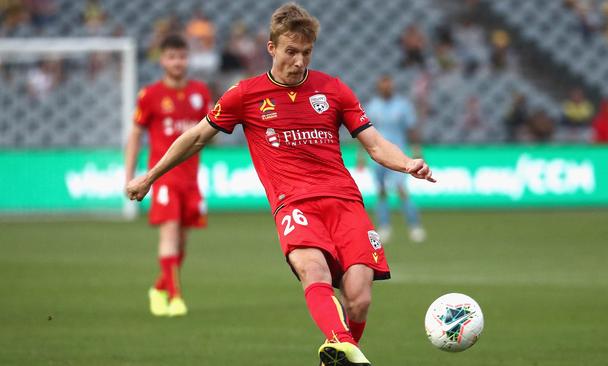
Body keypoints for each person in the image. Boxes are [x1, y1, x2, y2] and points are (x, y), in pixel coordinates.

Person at [126, 3, 435, 365]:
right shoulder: (245, 95)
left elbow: (375, 143)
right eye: (291, 51)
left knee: (359, 298)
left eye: (306, 52)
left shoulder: (333, 90)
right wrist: (150, 175)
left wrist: (407, 163)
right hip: (294, 205)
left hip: (345, 201)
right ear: (271, 48)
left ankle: (342, 351)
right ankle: (343, 344)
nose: (299, 61)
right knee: (313, 270)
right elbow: (195, 137)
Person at [124, 34, 212, 317]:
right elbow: (136, 136)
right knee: (170, 234)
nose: (178, 62)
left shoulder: (200, 93)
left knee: (182, 241)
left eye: (182, 56)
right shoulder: (149, 95)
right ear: (162, 60)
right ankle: (175, 298)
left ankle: (159, 288)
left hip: (190, 179)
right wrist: (131, 174)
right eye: (172, 57)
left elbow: (208, 132)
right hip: (162, 179)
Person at [363, 75, 426, 243]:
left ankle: (415, 226)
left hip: (397, 153)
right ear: (379, 87)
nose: (386, 88)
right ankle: (384, 227)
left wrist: (416, 149)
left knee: (401, 189)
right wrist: (360, 155)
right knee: (381, 191)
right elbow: (362, 131)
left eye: (388, 85)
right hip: (376, 155)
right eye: (383, 85)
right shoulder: (373, 106)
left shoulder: (402, 105)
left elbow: (411, 128)